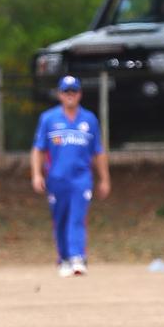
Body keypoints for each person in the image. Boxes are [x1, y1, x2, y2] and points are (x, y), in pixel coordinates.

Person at [30, 74, 111, 277]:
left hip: (81, 177)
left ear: (80, 94)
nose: (70, 95)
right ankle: (64, 258)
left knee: (77, 216)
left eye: (74, 91)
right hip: (56, 177)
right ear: (59, 94)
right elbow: (38, 150)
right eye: (66, 92)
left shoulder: (89, 119)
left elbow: (98, 152)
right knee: (61, 218)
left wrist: (104, 179)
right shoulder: (48, 119)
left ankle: (77, 256)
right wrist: (36, 174)